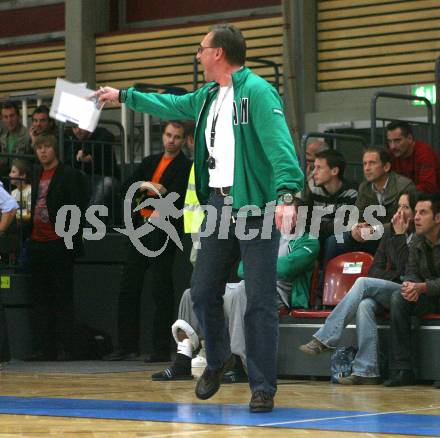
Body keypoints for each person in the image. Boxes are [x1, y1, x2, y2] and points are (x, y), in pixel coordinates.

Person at [95, 23, 303, 413]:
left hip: (255, 207)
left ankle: (262, 387)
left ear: (219, 53)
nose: (197, 54)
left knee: (258, 300)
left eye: (201, 48)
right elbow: (169, 106)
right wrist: (122, 95)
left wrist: (287, 194)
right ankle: (220, 355)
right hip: (219, 207)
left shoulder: (257, 92)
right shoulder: (208, 96)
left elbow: (280, 146)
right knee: (203, 291)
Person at [152, 223, 319, 382]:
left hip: (277, 295)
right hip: (248, 286)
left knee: (243, 290)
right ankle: (183, 360)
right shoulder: (266, 236)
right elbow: (241, 268)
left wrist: (257, 266)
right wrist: (259, 267)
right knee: (192, 293)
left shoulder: (309, 240)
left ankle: (239, 363)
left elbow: (287, 268)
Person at [299, 191, 416, 384]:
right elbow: (375, 269)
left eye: (406, 208)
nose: (400, 213)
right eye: (399, 207)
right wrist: (394, 274)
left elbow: (408, 270)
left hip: (412, 292)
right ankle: (366, 370)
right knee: (365, 305)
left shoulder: (416, 236)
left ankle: (326, 338)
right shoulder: (390, 233)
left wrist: (400, 237)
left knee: (362, 283)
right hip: (395, 289)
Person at [104, 120, 191, 363]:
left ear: (183, 140)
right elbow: (125, 188)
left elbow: (173, 199)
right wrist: (149, 186)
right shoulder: (150, 162)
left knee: (160, 289)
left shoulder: (185, 167)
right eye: (168, 135)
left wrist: (144, 191)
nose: (171, 140)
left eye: (176, 137)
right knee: (128, 287)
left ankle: (161, 348)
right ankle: (126, 345)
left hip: (163, 232)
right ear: (162, 136)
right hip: (140, 228)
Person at [26, 134, 89, 361]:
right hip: (37, 241)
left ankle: (67, 348)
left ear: (55, 150)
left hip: (58, 242)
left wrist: (69, 237)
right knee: (40, 298)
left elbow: (79, 205)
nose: (43, 151)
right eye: (39, 148)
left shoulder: (68, 174)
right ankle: (46, 348)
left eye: (47, 147)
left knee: (62, 297)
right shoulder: (36, 174)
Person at [321, 146, 415, 266]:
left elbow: (403, 221)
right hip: (370, 235)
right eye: (364, 164)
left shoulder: (404, 186)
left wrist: (373, 230)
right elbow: (357, 214)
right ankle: (325, 284)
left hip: (395, 235)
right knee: (335, 240)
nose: (367, 168)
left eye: (372, 163)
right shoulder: (364, 187)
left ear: (386, 167)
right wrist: (356, 228)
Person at [383, 192, 440, 387]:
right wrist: (410, 285)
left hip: (431, 291)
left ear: (438, 218)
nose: (416, 217)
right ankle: (402, 369)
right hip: (427, 295)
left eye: (423, 213)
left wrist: (423, 287)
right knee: (398, 298)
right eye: (416, 212)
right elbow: (410, 270)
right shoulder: (417, 239)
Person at [386, 121, 440, 193]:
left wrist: (403, 193)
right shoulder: (392, 154)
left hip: (429, 200)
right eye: (390, 141)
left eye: (397, 141)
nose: (392, 146)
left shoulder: (424, 154)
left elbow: (428, 186)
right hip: (405, 198)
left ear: (410, 138)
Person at [0, 102, 32, 181]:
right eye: (5, 117)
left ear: (18, 116)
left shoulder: (29, 135)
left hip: (23, 182)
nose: (9, 120)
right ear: (2, 119)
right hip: (7, 179)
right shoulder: (2, 137)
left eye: (12, 116)